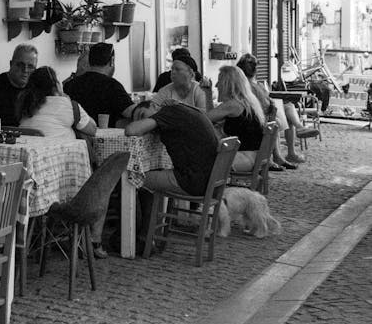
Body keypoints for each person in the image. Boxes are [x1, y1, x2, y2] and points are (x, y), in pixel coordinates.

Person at [20, 66, 104, 255]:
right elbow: (93, 129)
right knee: (102, 178)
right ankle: (94, 240)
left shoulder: (26, 104)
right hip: (62, 183)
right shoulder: (67, 105)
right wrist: (65, 97)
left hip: (32, 181)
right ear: (56, 85)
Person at [124, 99, 220, 252]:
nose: (144, 121)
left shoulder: (168, 113)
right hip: (209, 180)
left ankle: (137, 239)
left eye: (143, 115)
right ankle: (148, 236)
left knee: (132, 179)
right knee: (148, 176)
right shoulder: (182, 110)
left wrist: (142, 123)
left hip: (192, 181)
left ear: (155, 105)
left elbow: (131, 130)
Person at [237, 53, 303, 169]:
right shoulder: (248, 86)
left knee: (286, 108)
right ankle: (298, 132)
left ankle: (287, 151)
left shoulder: (252, 85)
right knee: (281, 114)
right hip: (260, 117)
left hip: (266, 114)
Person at [207, 65, 265, 174]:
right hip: (255, 156)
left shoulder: (233, 105)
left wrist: (207, 93)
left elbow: (204, 120)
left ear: (227, 85)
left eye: (219, 81)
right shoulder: (247, 101)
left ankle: (205, 189)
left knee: (200, 161)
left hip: (245, 158)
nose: (216, 85)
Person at [63, 41, 133, 125]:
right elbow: (132, 112)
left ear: (89, 61)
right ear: (112, 61)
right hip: (105, 136)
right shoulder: (112, 86)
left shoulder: (70, 85)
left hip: (76, 136)